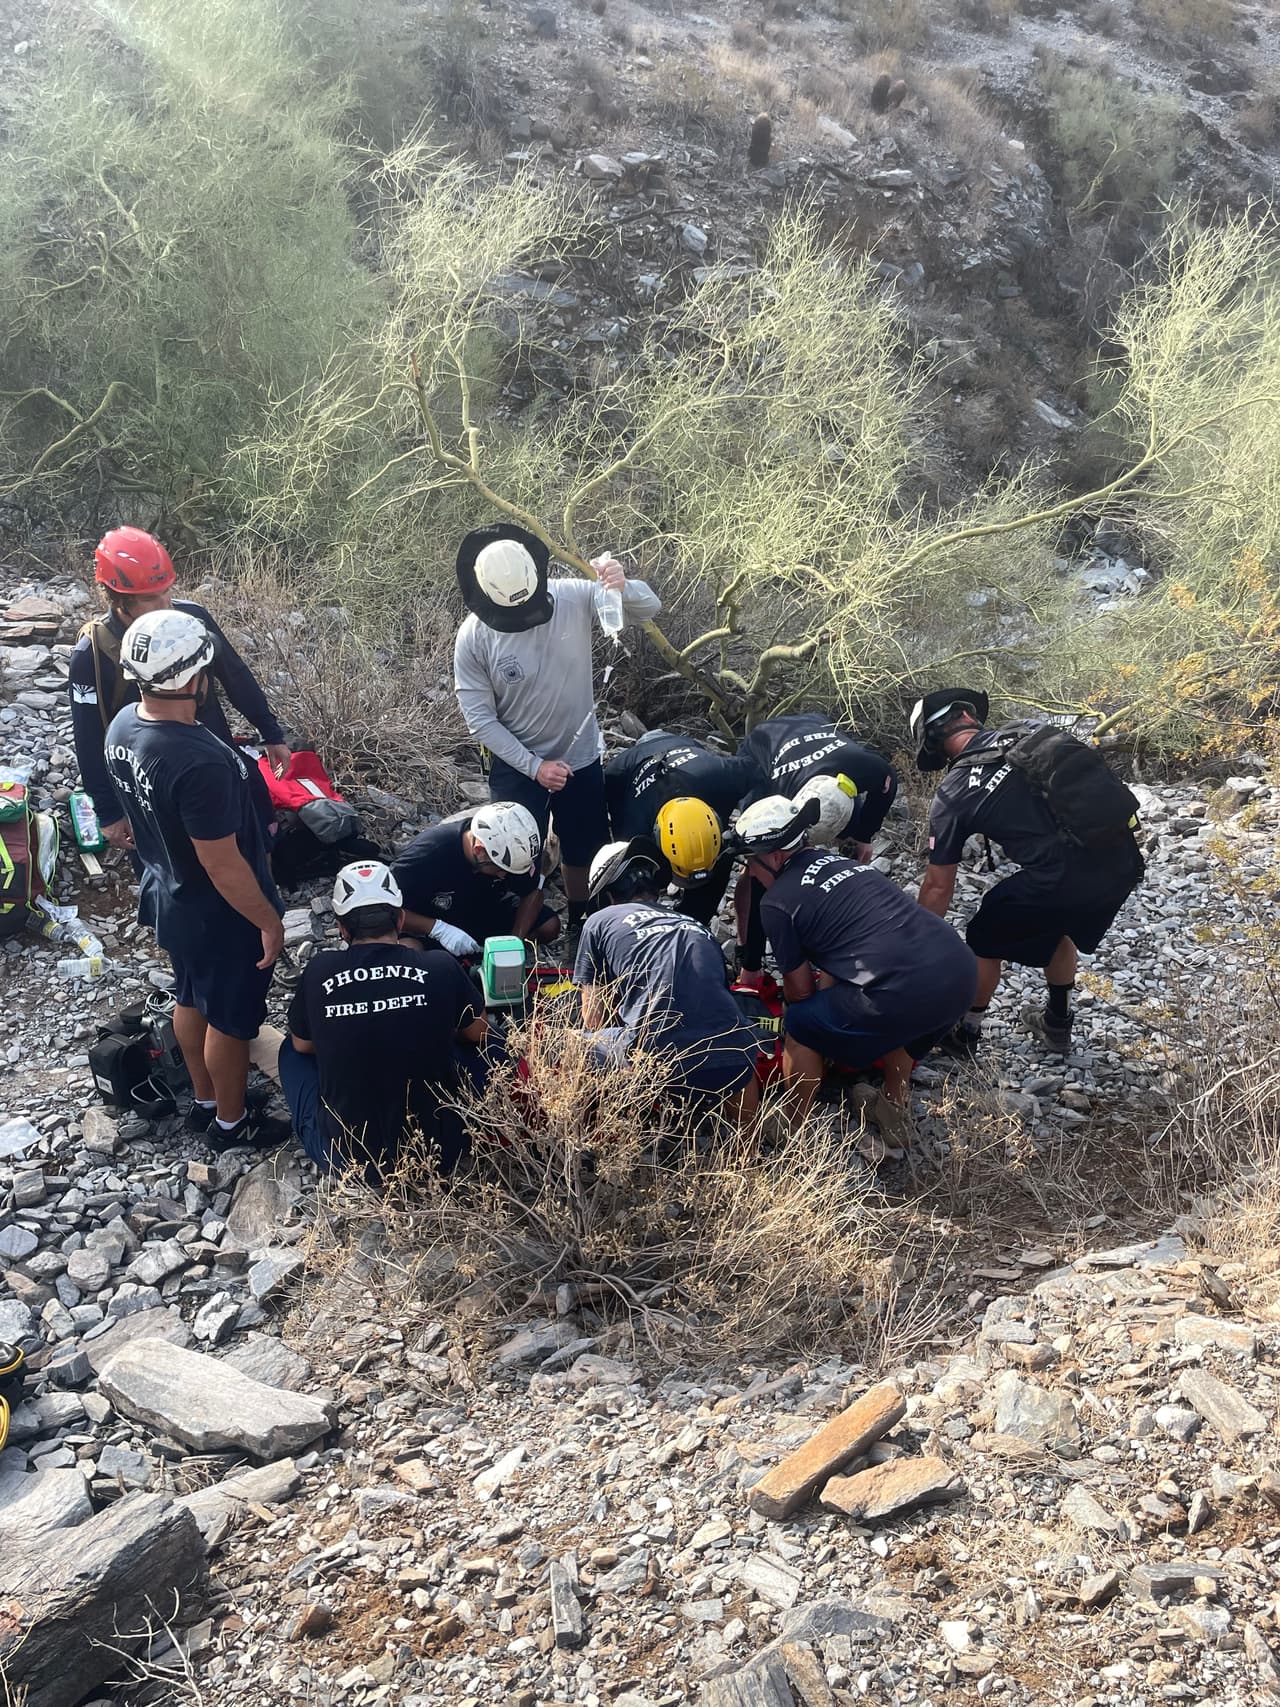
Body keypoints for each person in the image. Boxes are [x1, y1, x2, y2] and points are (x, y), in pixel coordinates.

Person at [104, 610, 289, 1150]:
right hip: (218, 911)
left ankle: (207, 1101)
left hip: (168, 896)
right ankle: (231, 1125)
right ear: (192, 680)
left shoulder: (123, 725)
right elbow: (222, 863)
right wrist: (268, 921)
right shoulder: (196, 759)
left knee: (190, 997)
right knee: (230, 1022)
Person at [453, 522, 661, 939]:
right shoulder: (474, 638)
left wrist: (623, 583)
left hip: (580, 755)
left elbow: (648, 608)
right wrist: (534, 767)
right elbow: (480, 719)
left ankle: (582, 922)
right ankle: (517, 928)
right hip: (517, 761)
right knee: (513, 848)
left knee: (583, 846)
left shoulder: (572, 595)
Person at [911, 687, 1144, 1055]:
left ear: (935, 746)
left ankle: (966, 1034)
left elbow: (939, 886)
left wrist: (913, 942)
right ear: (969, 716)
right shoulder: (1031, 732)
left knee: (984, 935)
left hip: (1064, 876)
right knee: (1056, 924)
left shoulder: (953, 793)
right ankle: (1057, 1023)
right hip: (1121, 858)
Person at [735, 795, 978, 1134]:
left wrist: (819, 1030)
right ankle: (894, 1107)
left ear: (775, 856)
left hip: (903, 988)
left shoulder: (778, 902)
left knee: (802, 1023)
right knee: (903, 1024)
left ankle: (792, 1121)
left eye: (751, 863)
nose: (750, 872)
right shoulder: (843, 865)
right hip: (961, 974)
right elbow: (842, 955)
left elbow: (801, 991)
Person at [70, 527, 289, 849]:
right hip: (155, 775)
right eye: (150, 598)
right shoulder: (94, 653)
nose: (164, 606)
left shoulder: (192, 619)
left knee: (254, 835)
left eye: (166, 592)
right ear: (117, 599)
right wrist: (108, 812)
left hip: (215, 755)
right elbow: (88, 737)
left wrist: (271, 734)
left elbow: (235, 676)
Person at [278, 860, 487, 1179]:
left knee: (290, 1051)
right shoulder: (440, 966)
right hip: (440, 1151)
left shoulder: (320, 971)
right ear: (401, 918)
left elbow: (304, 1044)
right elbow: (479, 1032)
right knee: (474, 1042)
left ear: (342, 928)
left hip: (349, 1161)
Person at [576, 838, 760, 1120]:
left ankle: (603, 1137)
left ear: (606, 896)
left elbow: (593, 1017)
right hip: (732, 1065)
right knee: (736, 1051)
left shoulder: (599, 921)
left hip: (660, 1068)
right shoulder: (696, 925)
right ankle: (747, 1150)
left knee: (574, 1044)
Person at [735, 715, 900, 989]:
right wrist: (752, 963)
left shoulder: (863, 768)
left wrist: (864, 834)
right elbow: (764, 866)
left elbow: (888, 779)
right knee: (758, 868)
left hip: (813, 725)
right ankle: (746, 957)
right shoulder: (775, 796)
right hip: (762, 749)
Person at [606, 731, 761, 927]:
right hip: (629, 766)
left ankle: (696, 924)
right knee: (634, 882)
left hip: (688, 751)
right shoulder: (633, 826)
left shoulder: (726, 776)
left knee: (723, 861)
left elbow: (762, 771)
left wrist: (753, 827)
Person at [391, 802, 559, 956]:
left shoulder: (514, 851)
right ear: (479, 850)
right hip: (434, 923)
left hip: (483, 912)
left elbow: (532, 893)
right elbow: (385, 907)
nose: (504, 876)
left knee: (549, 926)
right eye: (500, 869)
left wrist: (514, 941)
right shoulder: (429, 852)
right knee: (407, 950)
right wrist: (437, 929)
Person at [741, 713, 899, 857]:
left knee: (851, 824)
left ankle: (847, 841)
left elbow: (889, 779)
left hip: (813, 721)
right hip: (762, 740)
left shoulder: (861, 765)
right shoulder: (779, 794)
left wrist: (864, 836)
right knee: (759, 838)